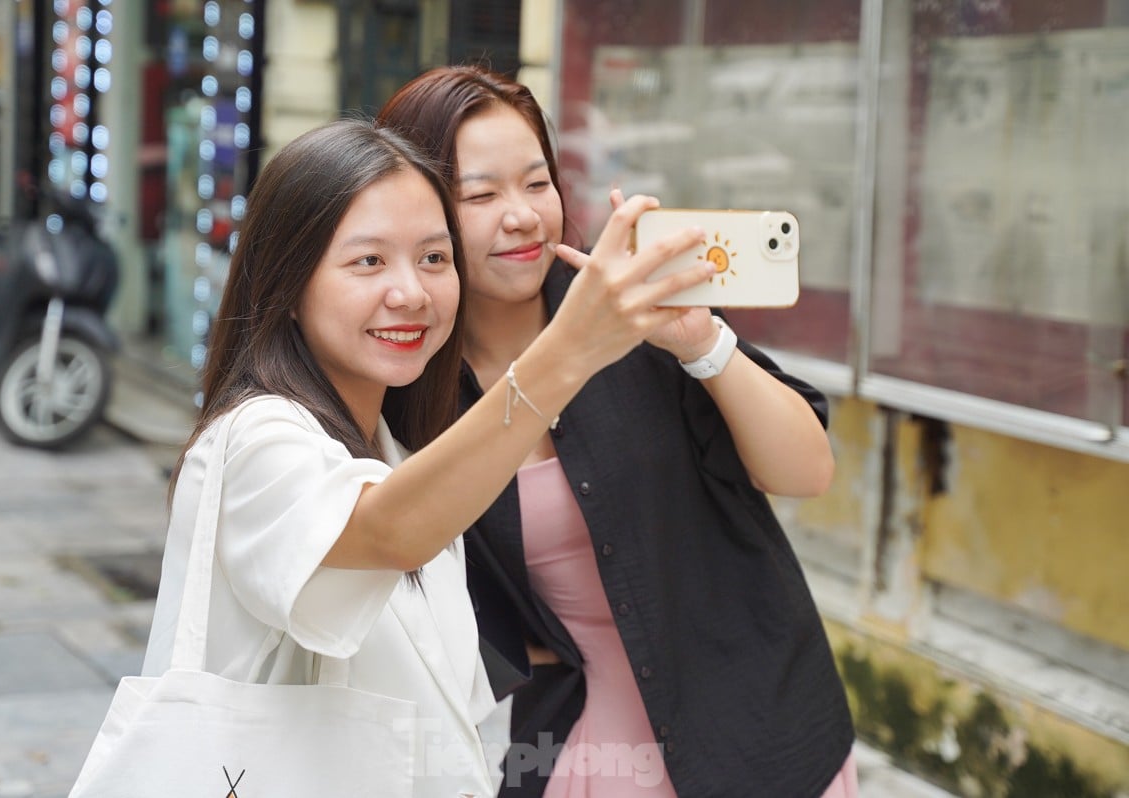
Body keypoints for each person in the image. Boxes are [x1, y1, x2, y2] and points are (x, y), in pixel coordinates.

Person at [139, 119, 712, 798]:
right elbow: (388, 534)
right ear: (288, 283)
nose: (411, 292)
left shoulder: (395, 450)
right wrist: (571, 348)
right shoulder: (256, 441)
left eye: (434, 259)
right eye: (369, 262)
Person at [377, 65, 858, 797]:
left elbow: (806, 472)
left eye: (537, 184)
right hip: (572, 751)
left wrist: (702, 345)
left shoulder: (637, 314)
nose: (522, 216)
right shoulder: (408, 387)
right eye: (480, 194)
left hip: (753, 731)